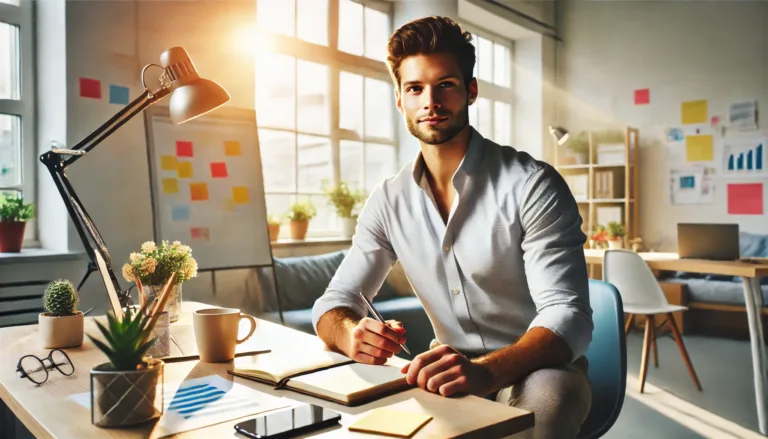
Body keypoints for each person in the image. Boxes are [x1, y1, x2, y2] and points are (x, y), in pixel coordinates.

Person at [311, 15, 593, 439]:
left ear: (470, 91)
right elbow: (334, 302)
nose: (430, 101)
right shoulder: (388, 200)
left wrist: (485, 373)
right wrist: (351, 333)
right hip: (447, 372)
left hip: (535, 369)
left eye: (445, 84)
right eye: (415, 88)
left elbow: (568, 316)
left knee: (550, 399)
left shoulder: (532, 184)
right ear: (400, 100)